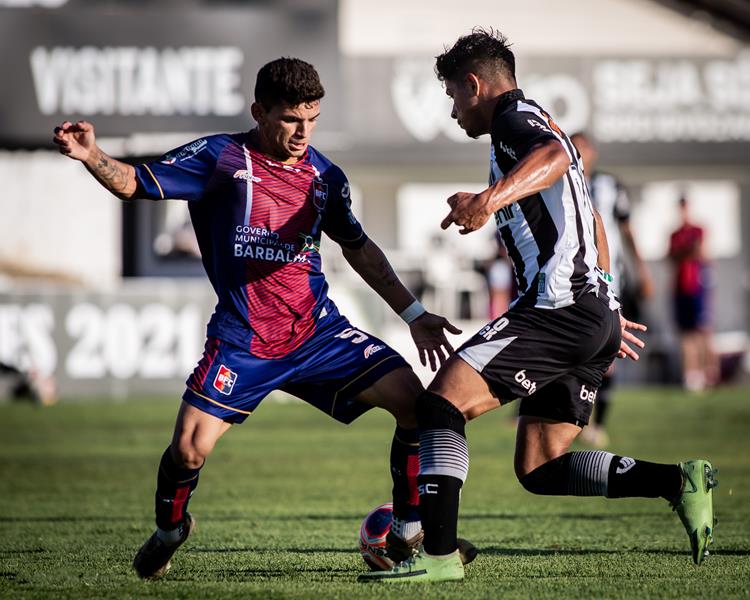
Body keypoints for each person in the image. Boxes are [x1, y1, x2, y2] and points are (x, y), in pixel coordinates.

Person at [54, 57, 474, 580]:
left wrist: (413, 313)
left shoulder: (325, 176)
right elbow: (133, 183)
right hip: (245, 340)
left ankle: (410, 528)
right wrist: (92, 154)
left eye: (313, 118)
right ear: (259, 111)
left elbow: (359, 248)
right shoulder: (218, 158)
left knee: (417, 403)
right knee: (187, 451)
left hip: (319, 334)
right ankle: (170, 531)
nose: (304, 132)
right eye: (291, 119)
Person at [361, 28, 717, 583]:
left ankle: (436, 556)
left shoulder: (512, 119)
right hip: (586, 310)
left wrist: (489, 200)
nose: (453, 111)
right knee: (542, 465)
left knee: (439, 408)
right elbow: (589, 214)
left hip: (556, 309)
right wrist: (605, 303)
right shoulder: (533, 122)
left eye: (454, 96)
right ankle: (679, 482)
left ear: (474, 85)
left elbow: (553, 156)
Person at [570, 132, 654, 447]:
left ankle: (597, 423)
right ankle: (575, 417)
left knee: (607, 353)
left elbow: (626, 231)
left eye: (582, 149)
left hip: (608, 283)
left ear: (592, 152)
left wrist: (642, 271)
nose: (578, 154)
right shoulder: (556, 182)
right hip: (569, 283)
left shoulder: (609, 186)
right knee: (575, 349)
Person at [668, 196, 719, 391]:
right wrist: (687, 251)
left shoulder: (698, 230)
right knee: (686, 334)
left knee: (704, 330)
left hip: (698, 287)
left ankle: (711, 373)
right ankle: (692, 375)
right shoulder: (675, 234)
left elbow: (703, 253)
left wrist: (688, 252)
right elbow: (672, 257)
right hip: (680, 288)